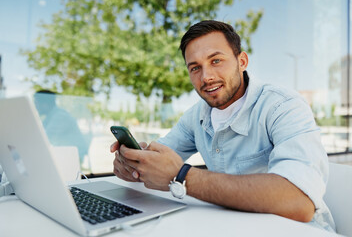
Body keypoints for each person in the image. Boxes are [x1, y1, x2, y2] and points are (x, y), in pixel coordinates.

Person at [111, 20, 335, 232]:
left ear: (242, 61)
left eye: (216, 60)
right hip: (232, 226)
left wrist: (182, 176)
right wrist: (134, 164)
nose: (206, 76)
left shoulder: (283, 107)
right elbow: (157, 160)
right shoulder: (196, 116)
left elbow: (299, 201)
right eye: (195, 68)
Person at [34, 90, 88, 163]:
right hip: (64, 154)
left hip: (74, 157)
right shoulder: (50, 116)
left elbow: (45, 139)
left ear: (45, 104)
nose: (35, 106)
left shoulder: (60, 116)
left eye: (36, 103)